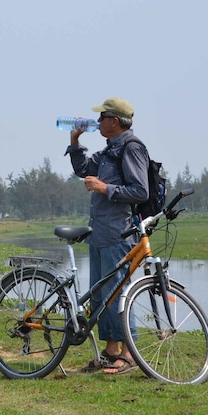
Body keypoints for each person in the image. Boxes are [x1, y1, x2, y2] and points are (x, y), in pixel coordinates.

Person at [64, 97, 149, 375]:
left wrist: (104, 187)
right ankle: (112, 351)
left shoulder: (132, 148)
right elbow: (82, 169)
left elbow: (140, 191)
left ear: (114, 121)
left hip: (119, 233)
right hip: (99, 234)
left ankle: (129, 354)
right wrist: (75, 141)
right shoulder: (109, 150)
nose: (97, 122)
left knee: (119, 296)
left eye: (102, 118)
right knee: (102, 298)